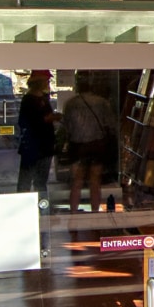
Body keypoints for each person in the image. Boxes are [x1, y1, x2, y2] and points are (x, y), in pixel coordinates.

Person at [60, 73, 119, 213]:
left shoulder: (71, 104)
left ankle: (73, 212)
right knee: (95, 182)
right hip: (97, 145)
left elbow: (66, 126)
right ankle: (94, 211)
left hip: (77, 146)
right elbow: (111, 125)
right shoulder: (102, 102)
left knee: (76, 182)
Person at [15, 71, 58, 195]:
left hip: (45, 145)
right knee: (26, 181)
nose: (48, 83)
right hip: (33, 145)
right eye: (46, 81)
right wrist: (48, 118)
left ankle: (42, 207)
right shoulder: (29, 100)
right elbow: (30, 121)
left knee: (40, 181)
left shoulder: (42, 98)